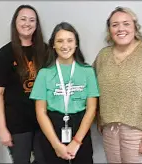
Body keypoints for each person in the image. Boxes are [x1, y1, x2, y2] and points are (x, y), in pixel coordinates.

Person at [93, 6, 142, 163]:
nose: (120, 28)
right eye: (115, 25)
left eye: (126, 23)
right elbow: (93, 89)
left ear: (135, 27)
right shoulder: (103, 56)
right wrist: (99, 118)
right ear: (109, 30)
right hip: (110, 132)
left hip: (139, 133)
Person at [30, 22, 99, 164]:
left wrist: (77, 142)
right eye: (59, 41)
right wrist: (56, 145)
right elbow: (40, 112)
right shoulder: (44, 73)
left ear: (76, 44)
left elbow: (91, 109)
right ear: (53, 45)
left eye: (70, 40)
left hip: (80, 127)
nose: (65, 45)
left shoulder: (87, 71)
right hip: (52, 128)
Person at [0, 5, 47, 164]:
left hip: (42, 121)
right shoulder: (5, 54)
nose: (27, 23)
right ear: (15, 22)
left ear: (37, 25)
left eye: (32, 20)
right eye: (23, 19)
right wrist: (2, 129)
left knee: (45, 159)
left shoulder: (45, 51)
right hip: (16, 124)